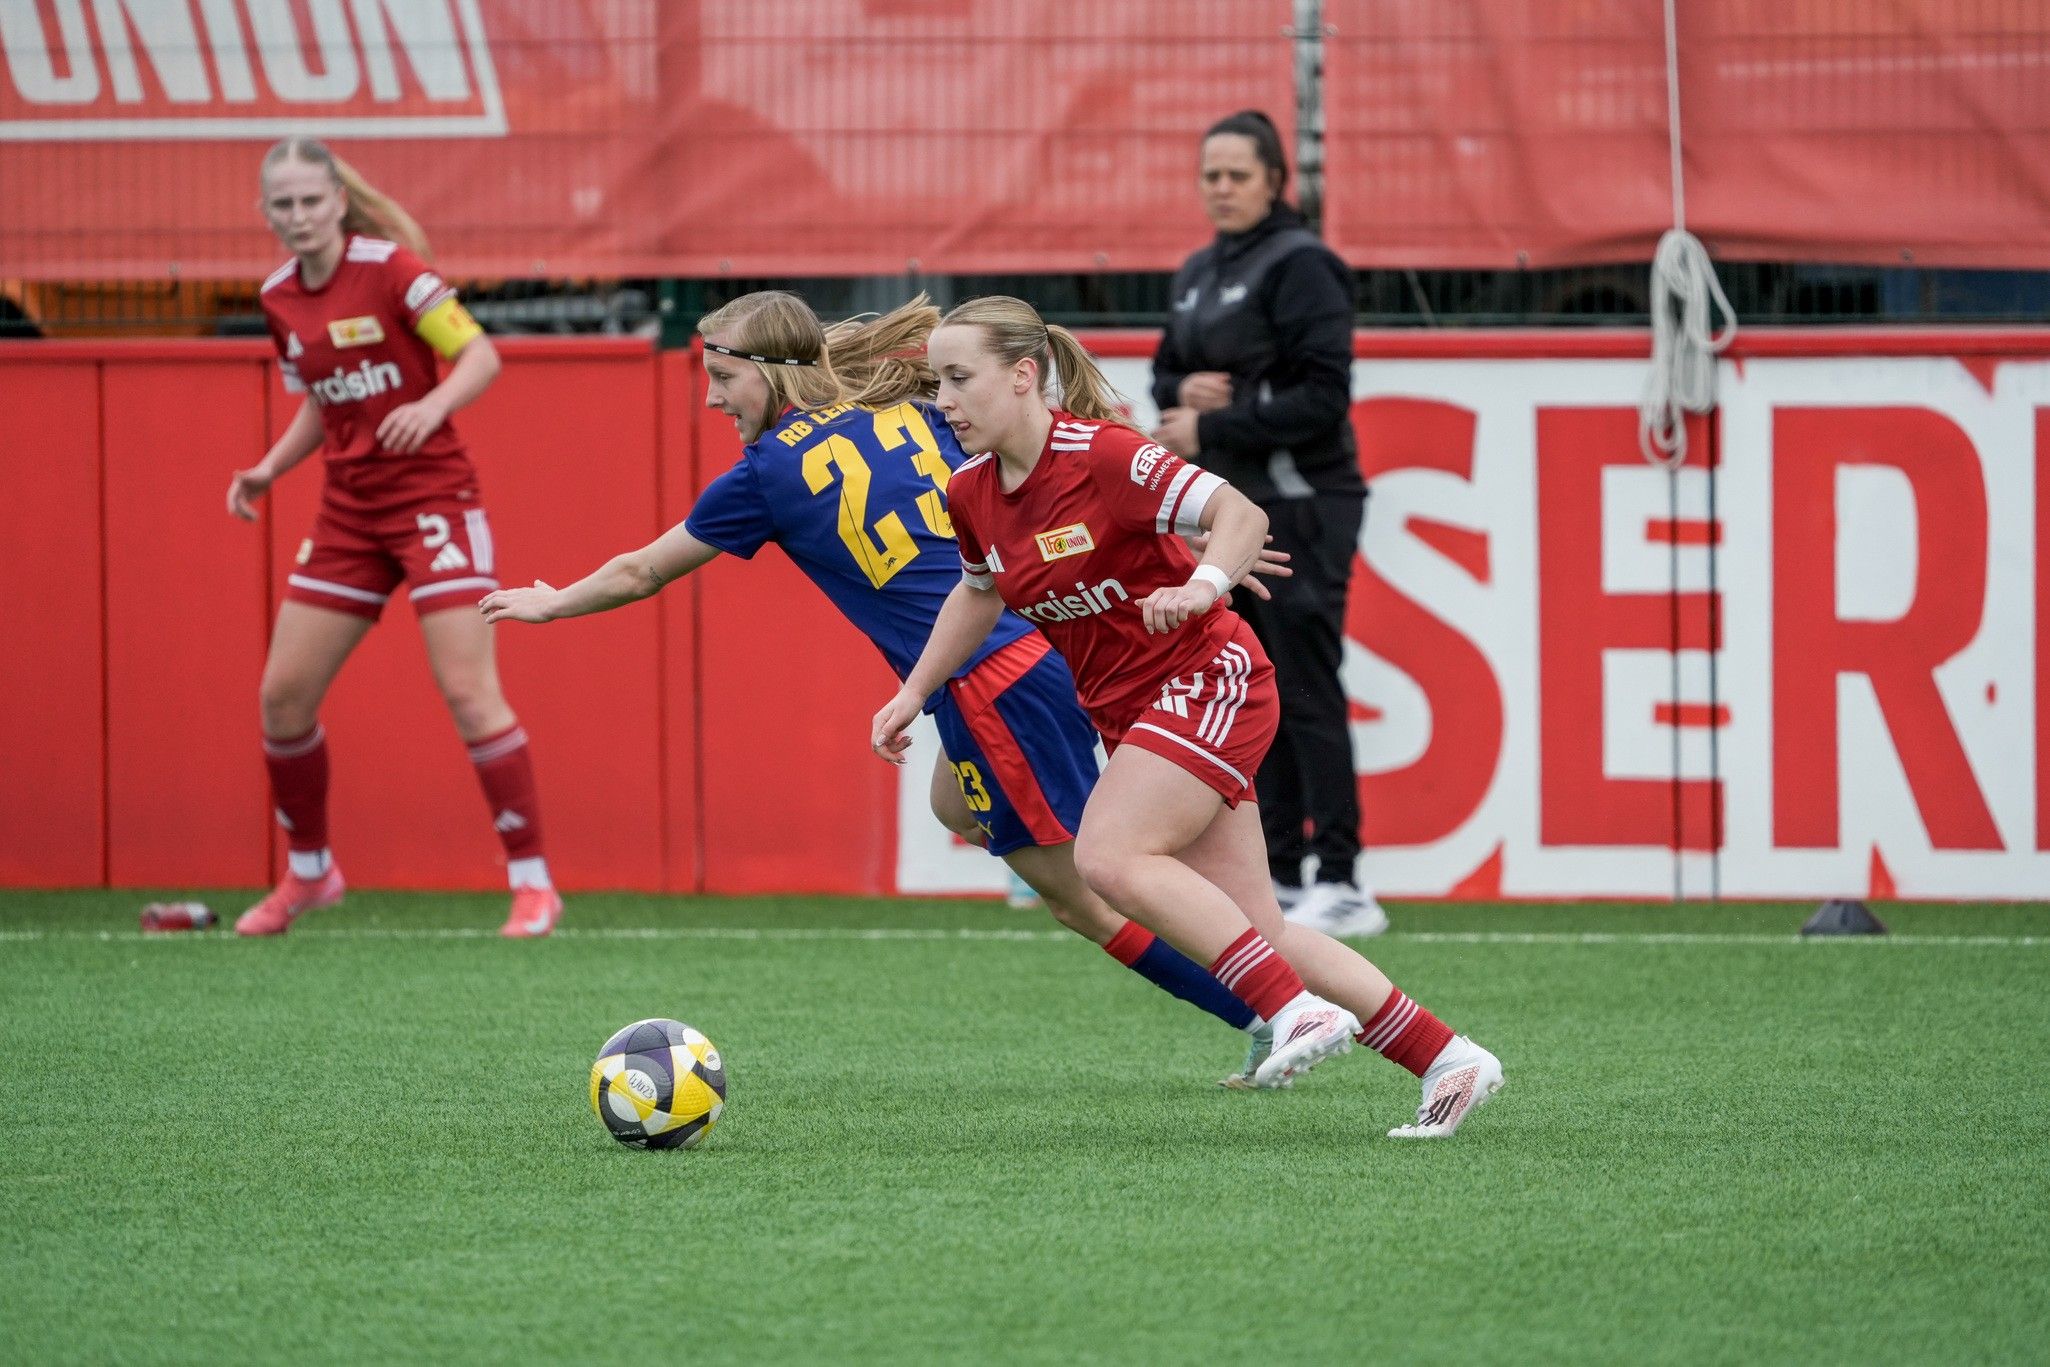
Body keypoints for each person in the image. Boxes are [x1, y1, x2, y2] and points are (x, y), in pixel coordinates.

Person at [479, 290, 1286, 1082]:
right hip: (1031, 658)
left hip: (988, 678)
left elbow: (640, 570)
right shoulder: (913, 405)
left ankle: (1263, 1008)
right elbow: (1054, 468)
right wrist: (1186, 532)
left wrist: (554, 603)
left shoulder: (766, 470)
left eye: (725, 376)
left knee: (1087, 892)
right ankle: (1260, 974)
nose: (713, 395)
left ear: (772, 372)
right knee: (958, 805)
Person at [873, 297, 1502, 1135]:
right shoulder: (972, 492)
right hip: (1135, 710)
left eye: (958, 378)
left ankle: (1295, 1011)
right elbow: (977, 592)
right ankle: (1450, 1056)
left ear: (1024, 375)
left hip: (1212, 676)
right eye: (935, 382)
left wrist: (1202, 583)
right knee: (1263, 930)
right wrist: (914, 692)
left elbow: (1241, 516)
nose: (942, 401)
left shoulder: (1103, 455)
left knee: (1108, 853)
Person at [228, 138, 561, 938]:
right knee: (282, 697)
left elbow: (479, 355)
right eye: (284, 204)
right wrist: (268, 469)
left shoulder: (393, 269)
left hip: (434, 500)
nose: (300, 216)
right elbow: (320, 398)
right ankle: (310, 873)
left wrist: (434, 405)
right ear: (265, 214)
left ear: (339, 200)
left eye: (312, 199)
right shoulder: (277, 296)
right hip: (348, 513)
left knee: (469, 692)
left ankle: (532, 881)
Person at [1150, 110, 1385, 939]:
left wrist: (1216, 419)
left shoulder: (1304, 264)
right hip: (1230, 513)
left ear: (1276, 179)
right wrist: (1188, 398)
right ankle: (1280, 870)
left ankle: (1346, 876)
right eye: (1209, 174)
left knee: (1307, 682)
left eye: (1236, 174)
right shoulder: (1198, 270)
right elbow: (1166, 374)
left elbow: (1323, 397)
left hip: (1304, 504)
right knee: (1256, 685)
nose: (1220, 188)